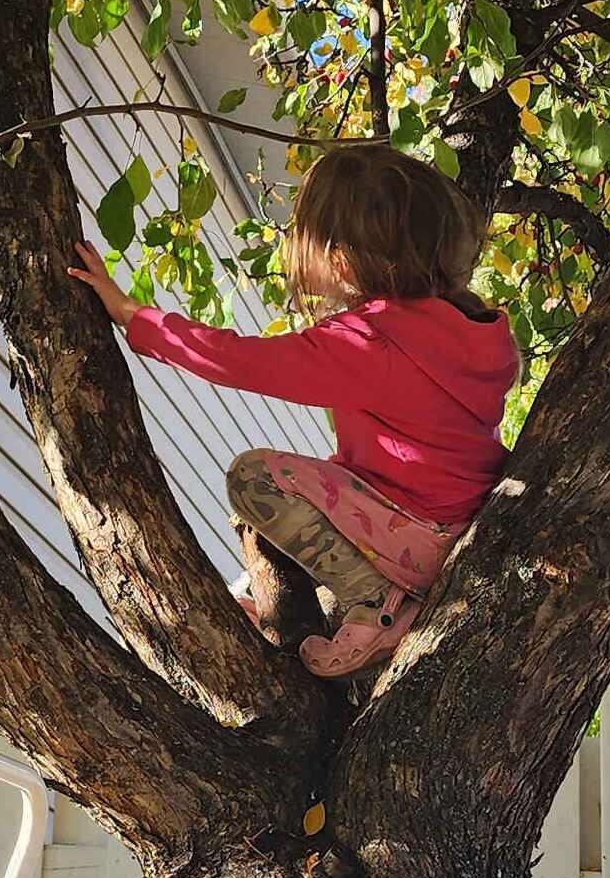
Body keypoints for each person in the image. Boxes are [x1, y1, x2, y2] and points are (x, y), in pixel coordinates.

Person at [74, 141, 519, 677]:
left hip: (416, 538)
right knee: (320, 483)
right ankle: (328, 600)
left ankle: (378, 604)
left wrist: (133, 315)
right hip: (457, 524)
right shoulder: (471, 332)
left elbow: (240, 361)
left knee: (256, 479)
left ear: (340, 259)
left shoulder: (367, 340)